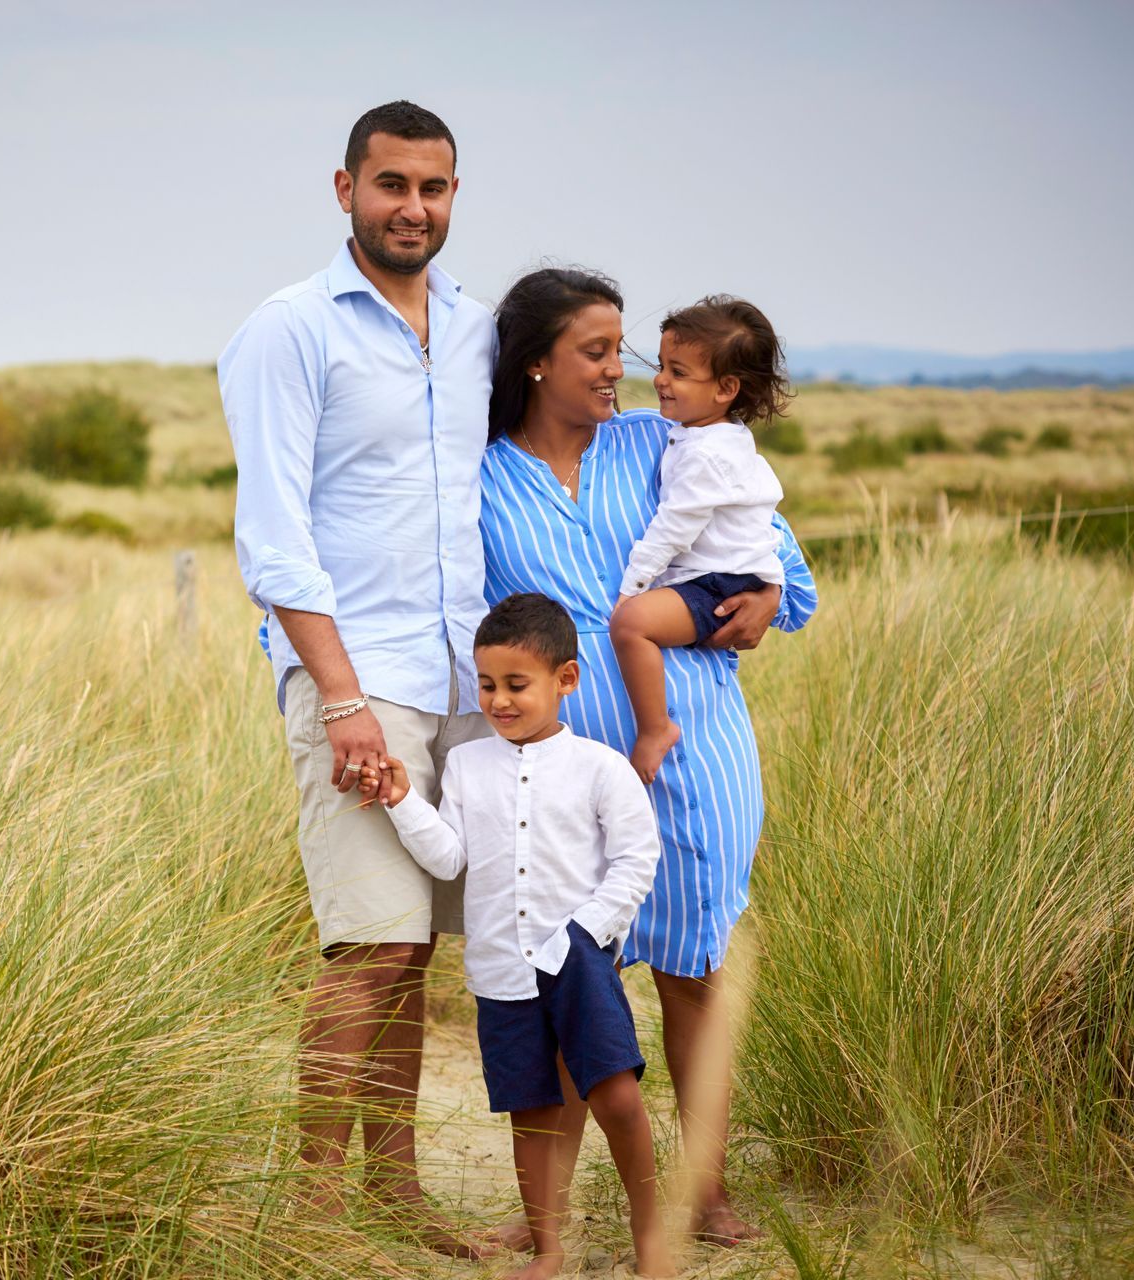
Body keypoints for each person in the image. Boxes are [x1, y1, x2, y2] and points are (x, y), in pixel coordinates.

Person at [479, 267, 819, 1248]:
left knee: (693, 972)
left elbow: (780, 574)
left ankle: (702, 1190)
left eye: (628, 351)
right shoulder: (484, 472)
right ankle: (547, 1217)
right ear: (536, 360)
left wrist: (751, 606)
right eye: (597, 350)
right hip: (564, 766)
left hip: (695, 742)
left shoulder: (665, 444)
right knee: (565, 973)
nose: (621, 371)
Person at [216, 100, 498, 1256]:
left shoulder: (478, 330)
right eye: (391, 186)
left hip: (465, 677)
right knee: (369, 946)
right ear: (345, 190)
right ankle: (318, 1214)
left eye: (432, 189)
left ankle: (398, 1190)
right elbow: (274, 536)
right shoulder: (289, 329)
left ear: (453, 195)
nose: (412, 209)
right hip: (358, 672)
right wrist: (335, 697)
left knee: (416, 952)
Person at [360, 592, 675, 1280]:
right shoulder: (469, 766)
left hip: (580, 961)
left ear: (566, 679)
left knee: (616, 1096)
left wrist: (584, 935)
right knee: (530, 1111)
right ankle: (549, 1248)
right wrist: (403, 799)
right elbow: (449, 857)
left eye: (516, 685)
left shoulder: (599, 766)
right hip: (501, 969)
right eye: (488, 684)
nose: (499, 701)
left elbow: (635, 859)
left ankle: (654, 1240)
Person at [609, 296, 793, 783]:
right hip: (728, 576)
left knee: (631, 625)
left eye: (679, 372)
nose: (660, 381)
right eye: (661, 365)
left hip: (721, 582)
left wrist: (633, 586)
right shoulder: (710, 438)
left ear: (725, 389)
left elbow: (675, 525)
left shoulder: (707, 454)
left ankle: (655, 729)